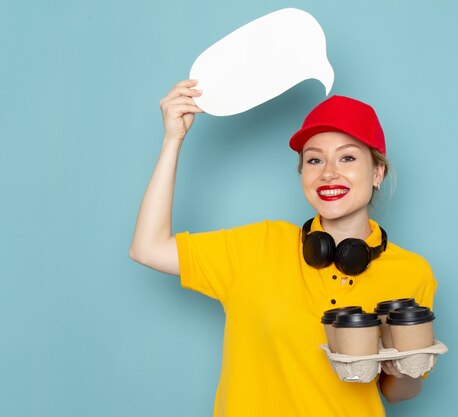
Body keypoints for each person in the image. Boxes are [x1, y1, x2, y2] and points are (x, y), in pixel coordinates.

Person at [130, 79, 438, 416]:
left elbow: (397, 392)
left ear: (377, 172)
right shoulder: (257, 247)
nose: (329, 174)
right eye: (314, 161)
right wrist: (173, 140)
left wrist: (402, 370)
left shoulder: (412, 272)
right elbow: (148, 247)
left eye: (347, 158)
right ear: (302, 172)